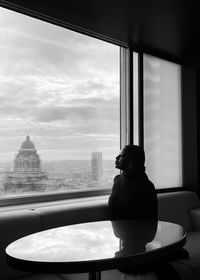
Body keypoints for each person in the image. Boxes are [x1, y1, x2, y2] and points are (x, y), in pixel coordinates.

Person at [108, 144, 157, 221]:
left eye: (122, 155)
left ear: (132, 161)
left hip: (138, 232)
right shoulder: (117, 180)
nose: (116, 157)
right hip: (117, 231)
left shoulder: (147, 187)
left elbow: (151, 221)